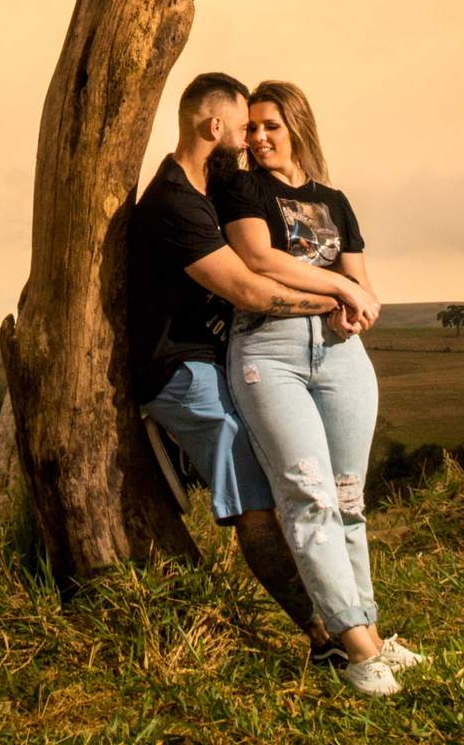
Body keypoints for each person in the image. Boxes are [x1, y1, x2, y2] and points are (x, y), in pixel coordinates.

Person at [212, 80, 426, 699]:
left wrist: (358, 304)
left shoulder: (333, 200)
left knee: (349, 499)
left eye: (269, 126)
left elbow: (361, 279)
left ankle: (371, 634)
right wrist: (342, 292)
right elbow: (259, 260)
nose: (256, 138)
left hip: (341, 355)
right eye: (250, 128)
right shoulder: (242, 186)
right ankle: (358, 652)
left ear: (298, 126)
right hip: (270, 349)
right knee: (309, 498)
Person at [128, 70, 351, 665]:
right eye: (243, 129)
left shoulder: (205, 194)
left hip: (215, 359)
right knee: (259, 504)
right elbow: (249, 291)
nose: (250, 142)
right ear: (214, 125)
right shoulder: (174, 201)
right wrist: (332, 302)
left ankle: (345, 618)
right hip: (180, 371)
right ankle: (324, 637)